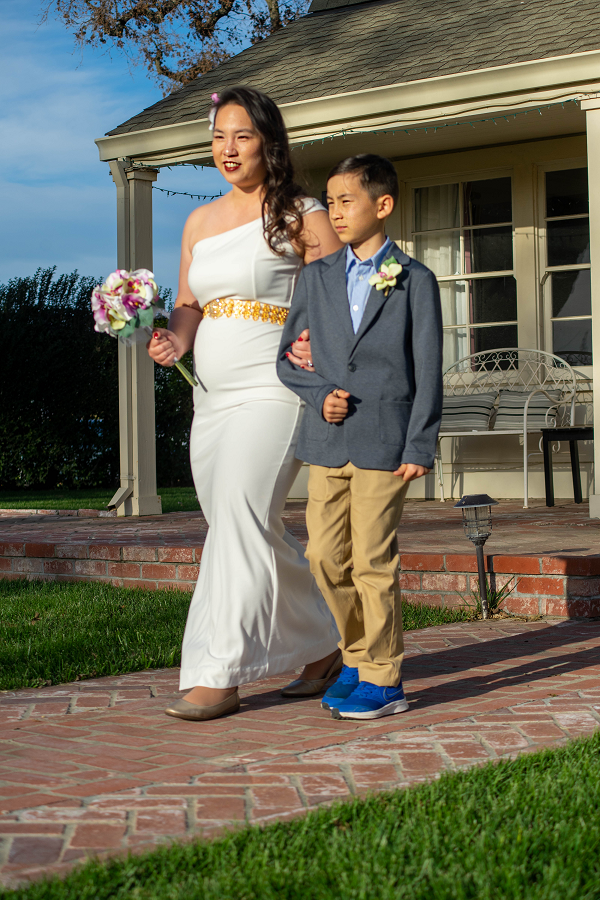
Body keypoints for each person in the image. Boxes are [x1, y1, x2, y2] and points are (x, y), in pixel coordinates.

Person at [148, 86, 342, 722]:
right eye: (218, 137)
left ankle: (219, 673)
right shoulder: (198, 223)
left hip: (275, 387)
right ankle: (324, 649)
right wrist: (174, 339)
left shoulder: (300, 214)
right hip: (212, 398)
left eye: (242, 136)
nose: (227, 149)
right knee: (241, 525)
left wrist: (316, 340)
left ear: (268, 142)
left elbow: (341, 295)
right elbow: (189, 304)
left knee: (239, 515)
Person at [277, 154, 443, 720]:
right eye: (331, 202)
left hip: (385, 442)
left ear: (383, 204)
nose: (336, 212)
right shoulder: (315, 277)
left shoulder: (415, 279)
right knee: (324, 558)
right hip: (327, 441)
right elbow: (287, 358)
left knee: (372, 560)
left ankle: (384, 678)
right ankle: (354, 656)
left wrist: (420, 444)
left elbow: (427, 369)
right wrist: (318, 392)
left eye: (347, 201)